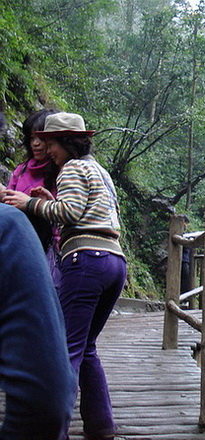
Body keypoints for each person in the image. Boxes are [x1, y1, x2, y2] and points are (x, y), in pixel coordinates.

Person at [4, 112, 126, 440]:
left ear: (65, 142)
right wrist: (51, 201)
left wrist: (29, 203)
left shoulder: (71, 167)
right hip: (115, 261)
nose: (49, 151)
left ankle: (54, 429)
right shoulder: (99, 170)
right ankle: (101, 425)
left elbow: (70, 213)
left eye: (52, 144)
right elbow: (88, 209)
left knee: (67, 348)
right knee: (87, 347)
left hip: (86, 260)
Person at [0, 203, 77, 438]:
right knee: (78, 344)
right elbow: (46, 399)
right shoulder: (7, 225)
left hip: (79, 258)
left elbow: (70, 209)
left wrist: (32, 203)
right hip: (80, 259)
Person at [1, 109, 60, 252]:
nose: (36, 144)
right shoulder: (22, 170)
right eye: (32, 138)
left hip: (43, 248)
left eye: (41, 139)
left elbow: (62, 216)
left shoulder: (62, 173)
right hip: (14, 239)